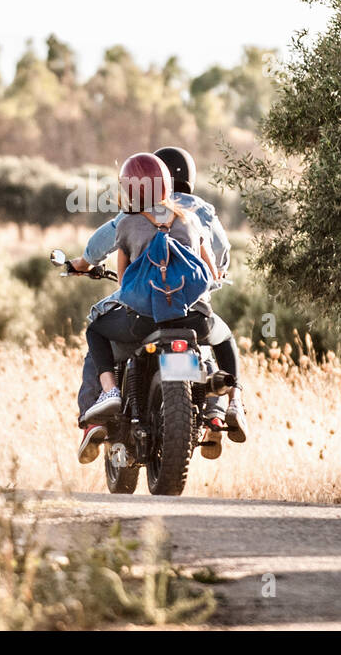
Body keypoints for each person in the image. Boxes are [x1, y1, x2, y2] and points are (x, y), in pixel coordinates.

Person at [73, 152, 242, 464]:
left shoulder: (126, 223)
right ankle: (231, 400)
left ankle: (106, 395)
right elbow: (213, 267)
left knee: (96, 328)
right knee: (221, 337)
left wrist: (79, 265)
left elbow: (123, 283)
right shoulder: (192, 217)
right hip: (192, 317)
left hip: (143, 320)